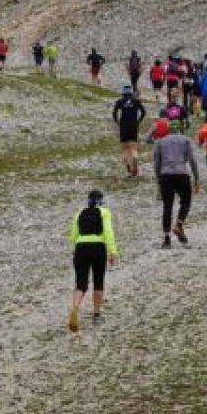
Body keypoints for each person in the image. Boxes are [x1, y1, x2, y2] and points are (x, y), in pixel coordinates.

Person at [65, 189, 118, 330]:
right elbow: (108, 231)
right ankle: (96, 315)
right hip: (98, 247)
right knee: (98, 281)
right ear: (101, 201)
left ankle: (75, 308)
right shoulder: (104, 212)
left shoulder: (79, 213)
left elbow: (73, 235)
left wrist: (74, 249)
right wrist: (112, 251)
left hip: (81, 247)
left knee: (80, 284)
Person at [151, 118, 201, 247]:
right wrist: (196, 178)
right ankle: (179, 224)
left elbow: (157, 162)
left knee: (167, 206)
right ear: (180, 128)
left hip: (166, 175)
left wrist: (158, 178)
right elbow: (192, 160)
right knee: (186, 201)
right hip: (181, 174)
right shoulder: (185, 140)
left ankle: (167, 239)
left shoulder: (161, 142)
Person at [111, 85, 147, 176]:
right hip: (134, 126)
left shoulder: (120, 101)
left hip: (124, 126)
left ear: (123, 93)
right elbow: (143, 112)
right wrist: (139, 121)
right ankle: (135, 157)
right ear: (131, 93)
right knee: (133, 147)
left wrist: (117, 121)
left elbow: (114, 113)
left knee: (125, 148)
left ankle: (129, 169)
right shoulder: (136, 101)